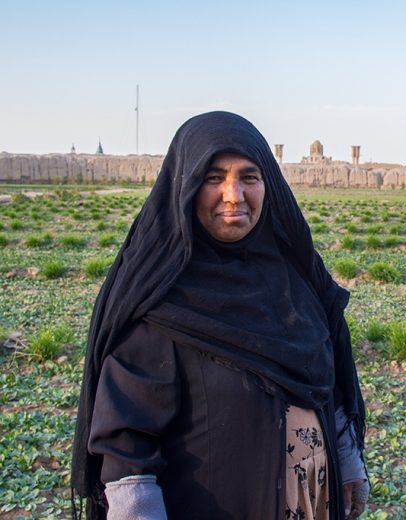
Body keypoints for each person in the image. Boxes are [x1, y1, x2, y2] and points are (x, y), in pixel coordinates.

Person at [71, 112, 368, 519]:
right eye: (213, 178)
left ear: (270, 185)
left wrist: (346, 464)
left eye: (249, 176)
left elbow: (325, 382)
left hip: (310, 501)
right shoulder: (161, 298)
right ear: (187, 185)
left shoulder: (296, 279)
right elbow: (127, 446)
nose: (234, 194)